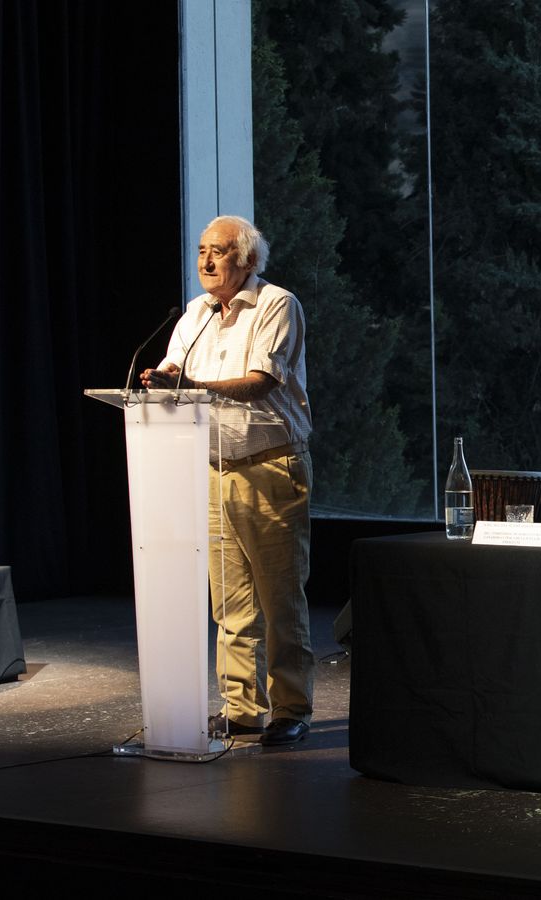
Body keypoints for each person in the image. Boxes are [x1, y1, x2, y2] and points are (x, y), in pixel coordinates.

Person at [141, 215, 315, 746]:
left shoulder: (276, 305)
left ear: (247, 259)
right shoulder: (193, 314)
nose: (206, 262)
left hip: (269, 464)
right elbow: (176, 369)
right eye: (201, 251)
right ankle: (242, 707)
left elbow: (262, 382)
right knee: (231, 600)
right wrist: (164, 379)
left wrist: (194, 385)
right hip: (213, 466)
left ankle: (291, 708)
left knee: (279, 596)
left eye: (218, 252)